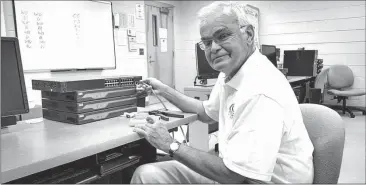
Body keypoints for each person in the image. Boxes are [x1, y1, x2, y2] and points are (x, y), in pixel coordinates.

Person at [131, 1, 314, 183]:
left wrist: (169, 144)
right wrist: (163, 89)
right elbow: (205, 113)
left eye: (223, 36)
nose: (214, 48)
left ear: (248, 34)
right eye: (207, 42)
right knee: (147, 174)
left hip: (256, 180)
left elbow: (234, 176)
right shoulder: (231, 72)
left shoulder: (259, 91)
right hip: (237, 173)